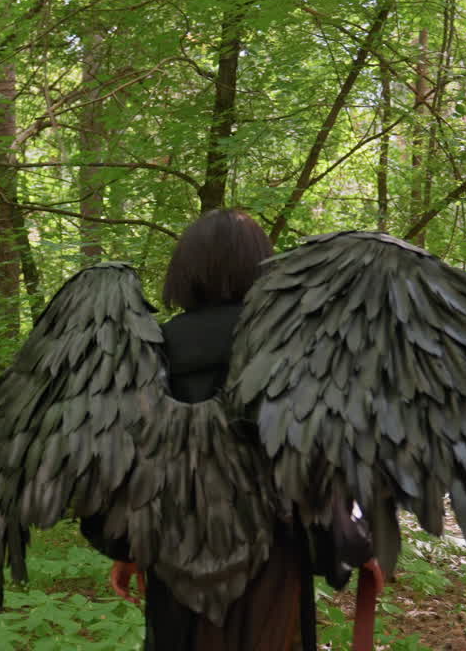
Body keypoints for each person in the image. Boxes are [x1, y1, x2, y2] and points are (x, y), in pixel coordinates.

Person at [83, 208, 382, 651]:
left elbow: (120, 463)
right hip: (272, 560)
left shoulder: (148, 353)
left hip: (172, 554)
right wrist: (358, 545)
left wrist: (128, 548)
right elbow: (318, 461)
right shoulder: (290, 350)